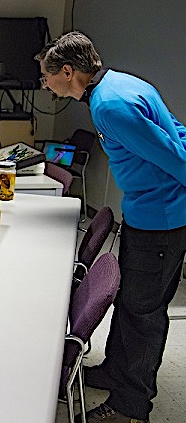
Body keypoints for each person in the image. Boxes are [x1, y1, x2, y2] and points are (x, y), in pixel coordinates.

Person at [35, 31, 186, 423]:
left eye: (46, 77)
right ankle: (115, 371)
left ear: (68, 72)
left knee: (142, 316)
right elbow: (177, 130)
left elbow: (175, 159)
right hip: (146, 213)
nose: (44, 84)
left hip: (161, 220)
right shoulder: (121, 83)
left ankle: (130, 407)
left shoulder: (110, 105)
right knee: (130, 301)